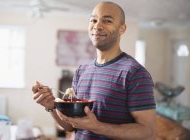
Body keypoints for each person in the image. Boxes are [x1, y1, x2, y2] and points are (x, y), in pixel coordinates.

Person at [32, 1, 156, 140]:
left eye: (107, 21)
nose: (97, 26)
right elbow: (71, 126)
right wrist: (51, 105)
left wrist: (96, 126)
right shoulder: (81, 71)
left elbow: (148, 132)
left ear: (122, 29)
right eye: (93, 20)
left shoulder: (135, 73)